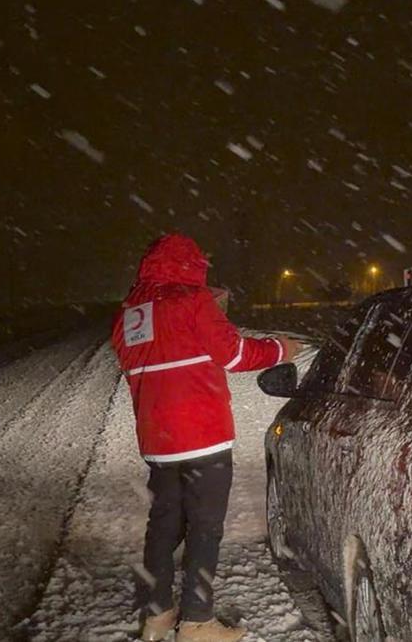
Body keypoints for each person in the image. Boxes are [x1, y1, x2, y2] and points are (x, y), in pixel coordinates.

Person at [110, 234, 300, 642]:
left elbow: (153, 350)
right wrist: (280, 348)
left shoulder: (129, 315)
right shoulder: (193, 302)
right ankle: (197, 623)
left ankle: (158, 615)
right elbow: (235, 355)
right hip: (202, 436)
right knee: (204, 527)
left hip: (157, 439)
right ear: (190, 266)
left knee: (163, 526)